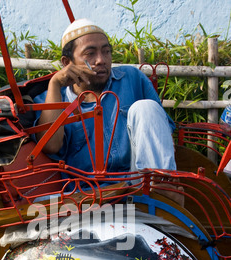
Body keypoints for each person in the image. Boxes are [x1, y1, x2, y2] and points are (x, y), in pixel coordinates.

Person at [33, 18, 177, 182]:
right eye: (90, 53)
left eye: (106, 51)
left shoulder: (132, 78)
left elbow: (161, 133)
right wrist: (54, 83)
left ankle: (163, 188)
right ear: (67, 63)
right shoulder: (51, 98)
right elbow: (51, 146)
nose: (101, 60)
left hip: (137, 182)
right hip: (89, 194)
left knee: (146, 107)